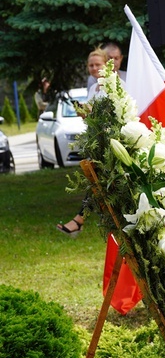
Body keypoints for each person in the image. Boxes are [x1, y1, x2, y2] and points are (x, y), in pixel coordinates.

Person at [57, 47, 109, 236]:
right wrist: (84, 113)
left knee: (97, 184)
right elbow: (92, 116)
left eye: (98, 64)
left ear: (106, 65)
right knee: (97, 184)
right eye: (91, 65)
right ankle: (82, 220)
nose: (94, 68)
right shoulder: (94, 88)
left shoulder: (114, 85)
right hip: (97, 142)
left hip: (111, 143)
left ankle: (79, 220)